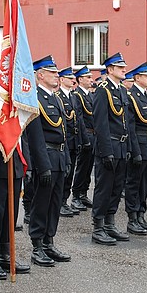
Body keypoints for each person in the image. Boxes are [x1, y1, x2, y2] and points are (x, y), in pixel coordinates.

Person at [0, 93, 31, 280]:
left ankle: (6, 254)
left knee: (12, 213)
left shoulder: (15, 102)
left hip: (15, 165)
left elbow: (21, 136)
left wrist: (28, 165)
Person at [26, 55, 72, 266]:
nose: (57, 75)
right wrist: (42, 165)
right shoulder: (34, 99)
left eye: (57, 72)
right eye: (52, 72)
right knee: (41, 203)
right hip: (46, 157)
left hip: (59, 156)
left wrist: (67, 158)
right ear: (40, 75)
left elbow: (63, 130)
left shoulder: (55, 98)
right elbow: (35, 136)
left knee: (54, 203)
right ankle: (37, 246)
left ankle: (49, 242)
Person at [91, 52, 132, 245]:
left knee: (117, 187)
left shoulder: (122, 91)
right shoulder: (102, 90)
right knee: (104, 188)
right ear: (110, 70)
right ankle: (98, 227)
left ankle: (110, 223)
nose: (124, 69)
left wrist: (129, 147)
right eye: (120, 67)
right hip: (109, 146)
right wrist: (106, 151)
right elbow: (100, 124)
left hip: (122, 145)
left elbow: (126, 121)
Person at [124, 62, 147, 234]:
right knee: (134, 183)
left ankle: (141, 215)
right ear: (137, 78)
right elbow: (130, 127)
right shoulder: (131, 96)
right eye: (146, 76)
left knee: (145, 184)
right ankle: (132, 218)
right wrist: (135, 151)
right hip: (139, 146)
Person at [56, 67, 83, 217]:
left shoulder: (73, 97)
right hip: (65, 140)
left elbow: (78, 120)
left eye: (73, 78)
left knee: (70, 172)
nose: (73, 80)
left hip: (74, 141)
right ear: (61, 80)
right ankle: (60, 202)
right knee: (64, 174)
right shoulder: (58, 96)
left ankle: (65, 200)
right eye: (69, 78)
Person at [71, 66, 95, 210]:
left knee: (88, 166)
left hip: (93, 134)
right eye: (88, 77)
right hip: (85, 134)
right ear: (80, 79)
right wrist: (85, 139)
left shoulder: (90, 95)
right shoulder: (77, 95)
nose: (91, 79)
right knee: (82, 167)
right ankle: (76, 195)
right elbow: (79, 119)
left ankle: (84, 193)